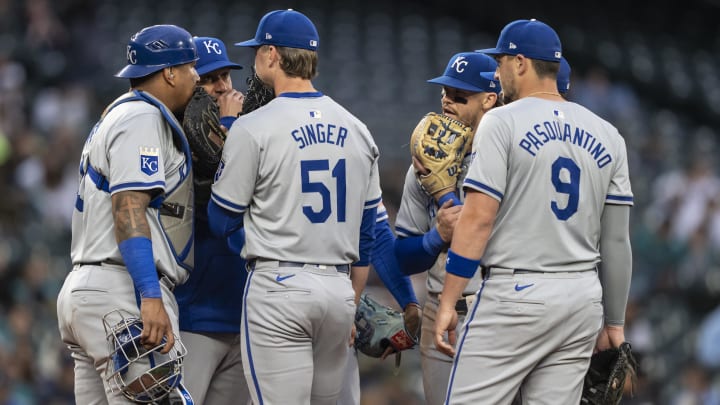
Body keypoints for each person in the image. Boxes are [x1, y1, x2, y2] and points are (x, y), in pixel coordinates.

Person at [434, 19, 634, 404]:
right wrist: (614, 322)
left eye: (501, 62)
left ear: (521, 63)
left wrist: (448, 300)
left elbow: (478, 219)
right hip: (580, 299)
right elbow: (616, 240)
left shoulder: (501, 120)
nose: (497, 71)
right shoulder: (608, 133)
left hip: (515, 295)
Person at [208, 9, 382, 405]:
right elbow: (367, 233)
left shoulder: (253, 126)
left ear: (272, 54)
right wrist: (351, 299)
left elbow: (221, 218)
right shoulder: (358, 128)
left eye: (257, 51)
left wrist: (256, 244)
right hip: (338, 291)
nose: (254, 59)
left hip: (279, 285)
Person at [56, 24, 199, 403]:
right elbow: (129, 205)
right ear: (169, 72)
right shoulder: (141, 117)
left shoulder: (117, 116)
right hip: (122, 292)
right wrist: (149, 295)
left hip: (90, 288)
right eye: (191, 67)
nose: (197, 77)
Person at [393, 51, 501, 405]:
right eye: (445, 93)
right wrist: (434, 237)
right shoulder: (423, 163)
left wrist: (447, 200)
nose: (447, 101)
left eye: (459, 96)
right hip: (442, 311)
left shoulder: (509, 159)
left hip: (499, 309)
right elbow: (403, 258)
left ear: (489, 100)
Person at [173, 36, 249, 405]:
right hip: (194, 315)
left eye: (225, 77)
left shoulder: (247, 133)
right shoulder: (175, 142)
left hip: (245, 316)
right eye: (208, 79)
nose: (221, 87)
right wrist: (229, 126)